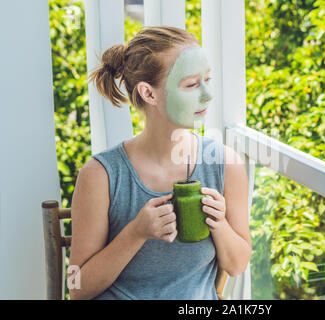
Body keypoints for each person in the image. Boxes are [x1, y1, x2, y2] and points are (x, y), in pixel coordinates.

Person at [68, 26, 252, 300]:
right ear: (149, 93)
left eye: (207, 80)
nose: (207, 95)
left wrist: (219, 222)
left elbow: (237, 266)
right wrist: (135, 233)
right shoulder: (101, 175)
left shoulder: (225, 164)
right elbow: (77, 288)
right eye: (191, 84)